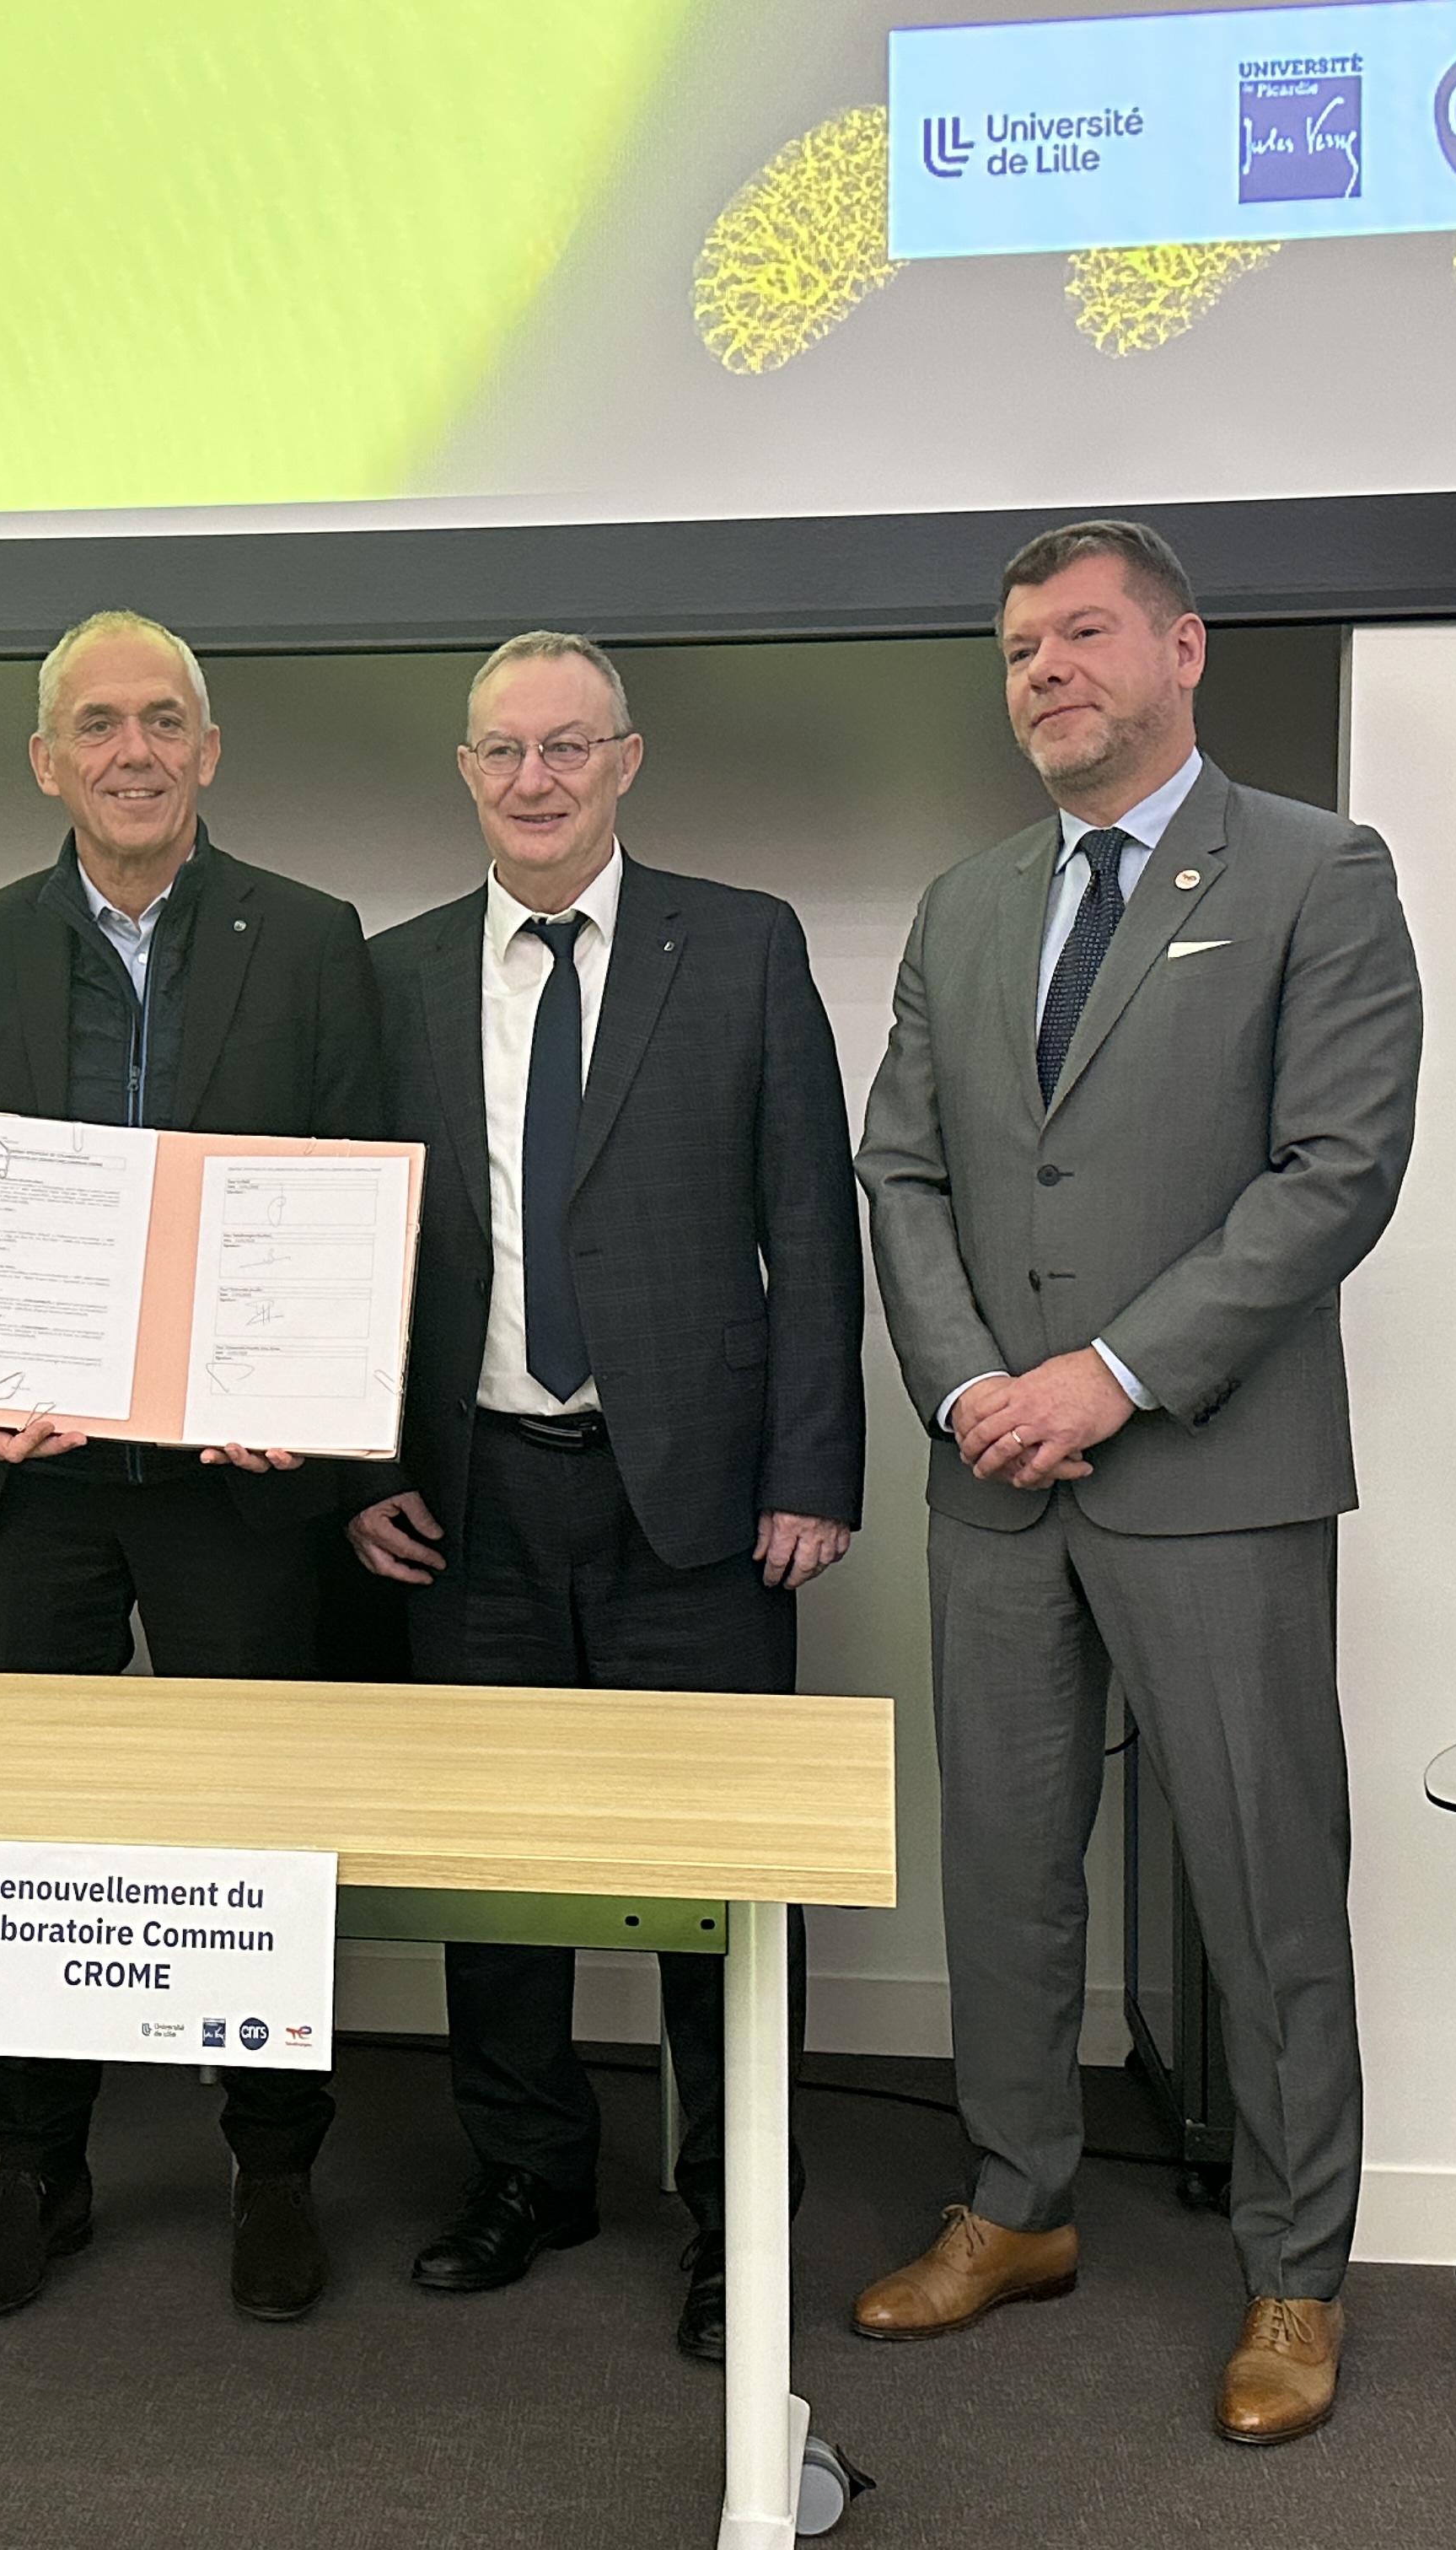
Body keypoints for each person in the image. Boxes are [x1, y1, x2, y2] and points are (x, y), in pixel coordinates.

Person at [851, 520, 1422, 2443]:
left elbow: (1334, 1172)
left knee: (1266, 1886)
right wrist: (967, 1390)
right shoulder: (966, 903)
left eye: (1083, 633)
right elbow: (905, 1171)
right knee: (1005, 1872)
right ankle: (1017, 2206)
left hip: (1213, 1472)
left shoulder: (1319, 871)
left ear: (1184, 650)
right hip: (996, 1477)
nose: (1046, 670)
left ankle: (1298, 2273)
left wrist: (1106, 1376)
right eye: (1020, 647)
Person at [347, 631, 862, 2361]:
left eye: (569, 746)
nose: (536, 779)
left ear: (626, 762)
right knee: (497, 1879)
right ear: (466, 773)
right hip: (472, 1497)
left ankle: (736, 2219)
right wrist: (366, 1470)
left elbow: (812, 1219)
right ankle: (528, 2173)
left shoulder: (744, 943)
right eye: (504, 750)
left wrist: (812, 1469)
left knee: (721, 1885)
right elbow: (352, 1239)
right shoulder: (399, 973)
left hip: (698, 1506)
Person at [0, 609, 380, 2324]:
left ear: (209, 749)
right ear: (48, 760)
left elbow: (355, 1185)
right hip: (39, 1487)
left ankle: (275, 2163)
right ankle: (38, 2166)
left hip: (236, 1486)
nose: (133, 750)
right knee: (26, 1831)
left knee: (261, 1826)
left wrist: (301, 1383)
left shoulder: (311, 939)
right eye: (97, 724)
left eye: (164, 720)